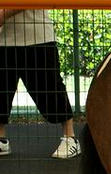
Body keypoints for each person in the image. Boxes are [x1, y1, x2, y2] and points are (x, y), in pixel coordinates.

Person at [0, 9, 80, 158]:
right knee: (1, 90)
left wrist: (4, 14)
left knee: (51, 88)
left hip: (38, 37)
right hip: (3, 40)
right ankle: (1, 141)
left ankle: (70, 138)